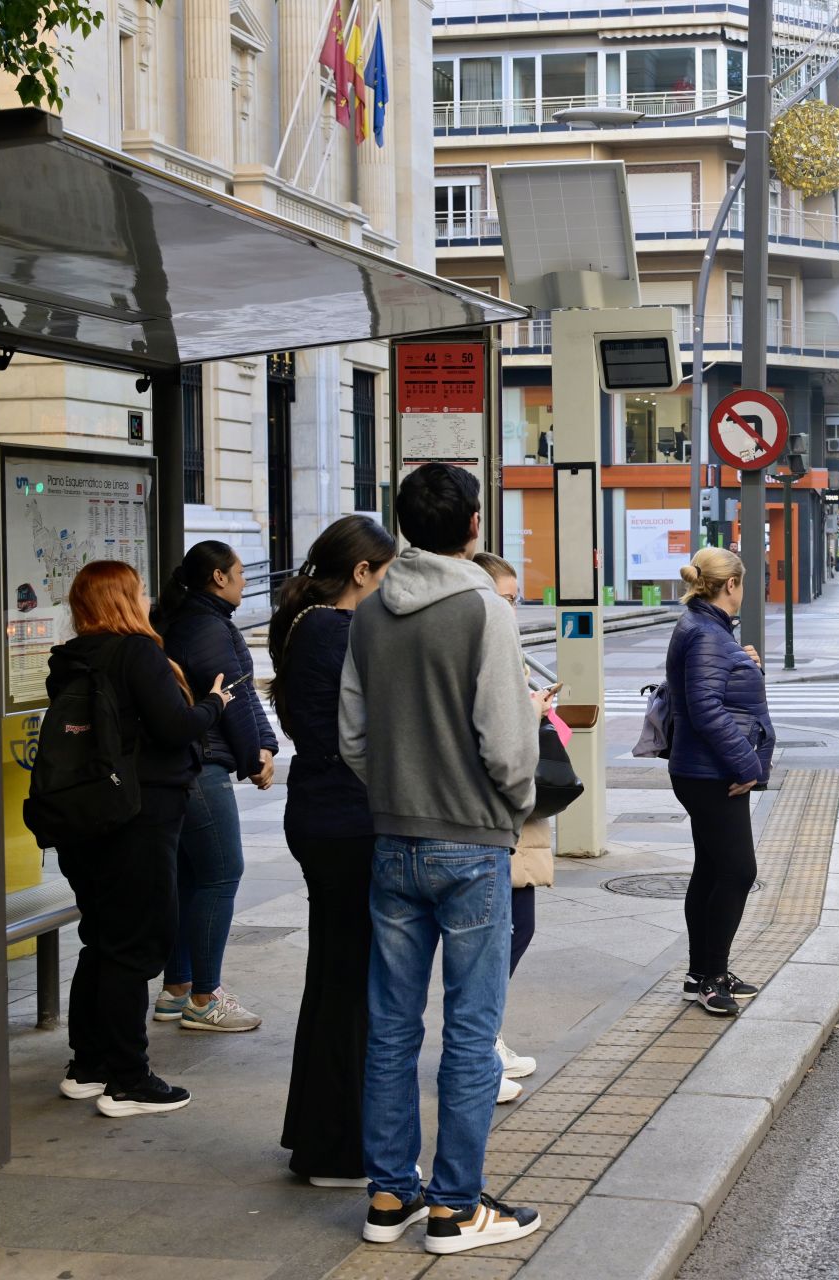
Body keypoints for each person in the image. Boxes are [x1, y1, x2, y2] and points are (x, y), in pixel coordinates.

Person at [338, 463, 543, 1256]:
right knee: (469, 1028)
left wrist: (397, 793)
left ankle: (390, 1196)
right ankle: (457, 1208)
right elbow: (506, 737)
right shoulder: (481, 607)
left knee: (390, 1026)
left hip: (393, 840)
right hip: (472, 843)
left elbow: (353, 739)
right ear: (473, 525)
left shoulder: (367, 614)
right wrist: (511, 804)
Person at [49, 562, 232, 1117]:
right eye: (139, 589)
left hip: (83, 815)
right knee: (133, 947)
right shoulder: (139, 654)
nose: (148, 596)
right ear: (124, 599)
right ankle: (129, 1080)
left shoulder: (69, 659)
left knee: (101, 938)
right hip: (138, 814)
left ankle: (88, 1066)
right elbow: (175, 727)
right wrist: (214, 705)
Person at [270, 516, 396, 1187]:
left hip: (321, 813)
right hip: (345, 819)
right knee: (350, 985)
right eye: (386, 573)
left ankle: (312, 1131)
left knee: (333, 979)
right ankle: (333, 1147)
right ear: (361, 572)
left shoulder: (307, 623)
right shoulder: (337, 630)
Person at [153, 541, 276, 1033]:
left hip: (184, 763)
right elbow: (234, 695)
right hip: (202, 765)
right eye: (240, 572)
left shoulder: (185, 618)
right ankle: (205, 997)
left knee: (192, 875)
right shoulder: (207, 626)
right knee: (223, 872)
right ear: (218, 578)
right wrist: (256, 755)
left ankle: (177, 987)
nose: (246, 580)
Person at [666, 547, 774, 1017]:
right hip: (713, 773)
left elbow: (715, 689)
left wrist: (746, 663)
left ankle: (699, 974)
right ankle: (713, 978)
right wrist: (747, 765)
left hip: (702, 769)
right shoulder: (707, 634)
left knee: (710, 870)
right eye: (744, 582)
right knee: (737, 872)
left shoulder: (705, 627)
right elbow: (707, 709)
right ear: (732, 585)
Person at [475, 552, 560, 1084]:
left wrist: (536, 709)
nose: (514, 609)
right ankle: (480, 1050)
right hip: (493, 815)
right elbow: (499, 743)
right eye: (507, 599)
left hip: (511, 817)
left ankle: (487, 1040)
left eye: (517, 599)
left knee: (515, 927)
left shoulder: (505, 650)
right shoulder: (483, 650)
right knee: (495, 937)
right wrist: (529, 715)